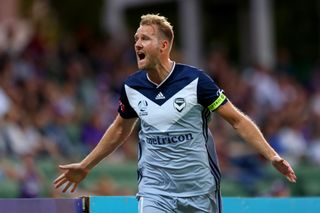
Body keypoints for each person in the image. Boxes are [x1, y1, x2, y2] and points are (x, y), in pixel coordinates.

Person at [54, 14, 296, 213]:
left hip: (200, 190)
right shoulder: (132, 86)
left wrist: (271, 155)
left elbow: (237, 120)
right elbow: (119, 128)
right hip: (155, 191)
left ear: (163, 45)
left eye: (145, 38)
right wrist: (86, 166)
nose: (137, 43)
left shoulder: (196, 80)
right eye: (136, 38)